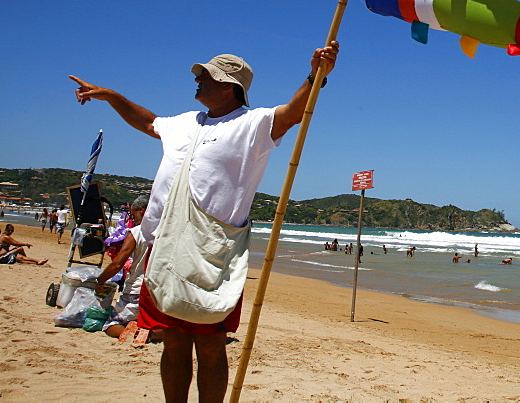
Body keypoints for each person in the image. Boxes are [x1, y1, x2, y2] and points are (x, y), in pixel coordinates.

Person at [70, 43, 338, 403]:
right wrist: (111, 96)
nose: (196, 79)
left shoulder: (252, 124)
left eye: (205, 76)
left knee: (211, 344)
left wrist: (315, 75)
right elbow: (149, 122)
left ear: (228, 85)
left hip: (212, 251)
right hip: (163, 247)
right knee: (173, 339)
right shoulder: (184, 123)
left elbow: (292, 113)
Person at [93, 196, 150, 339]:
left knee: (111, 325)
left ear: (141, 210)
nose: (133, 217)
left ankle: (137, 334)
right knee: (169, 329)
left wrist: (100, 281)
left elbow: (118, 263)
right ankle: (152, 334)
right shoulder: (168, 232)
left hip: (137, 290)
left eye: (133, 213)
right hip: (161, 292)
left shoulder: (137, 231)